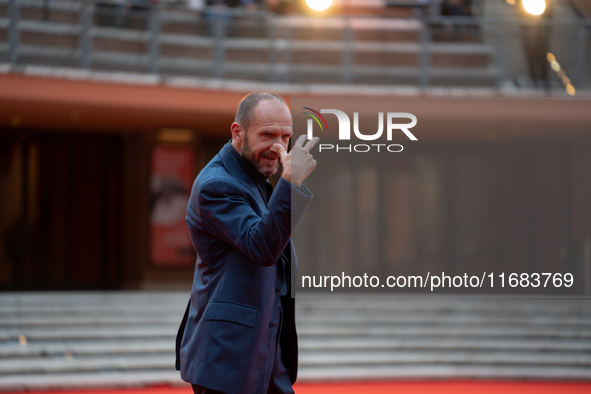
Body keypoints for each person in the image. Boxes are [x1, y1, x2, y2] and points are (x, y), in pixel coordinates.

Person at [175, 92, 319, 394]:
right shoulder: (217, 185)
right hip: (226, 360)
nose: (278, 147)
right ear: (238, 133)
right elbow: (262, 247)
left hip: (264, 354)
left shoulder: (252, 178)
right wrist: (290, 183)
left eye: (285, 136)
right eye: (267, 134)